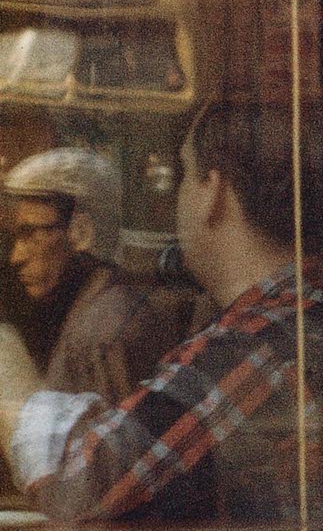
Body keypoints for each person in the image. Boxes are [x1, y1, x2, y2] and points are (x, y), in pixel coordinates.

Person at [0, 99, 323, 524]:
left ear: (212, 192)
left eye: (182, 176)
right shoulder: (308, 312)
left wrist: (8, 367)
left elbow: (80, 482)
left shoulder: (259, 342)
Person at [4, 148, 203, 404]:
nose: (16, 257)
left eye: (30, 234)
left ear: (82, 231)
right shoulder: (98, 309)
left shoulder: (102, 335)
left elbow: (116, 443)